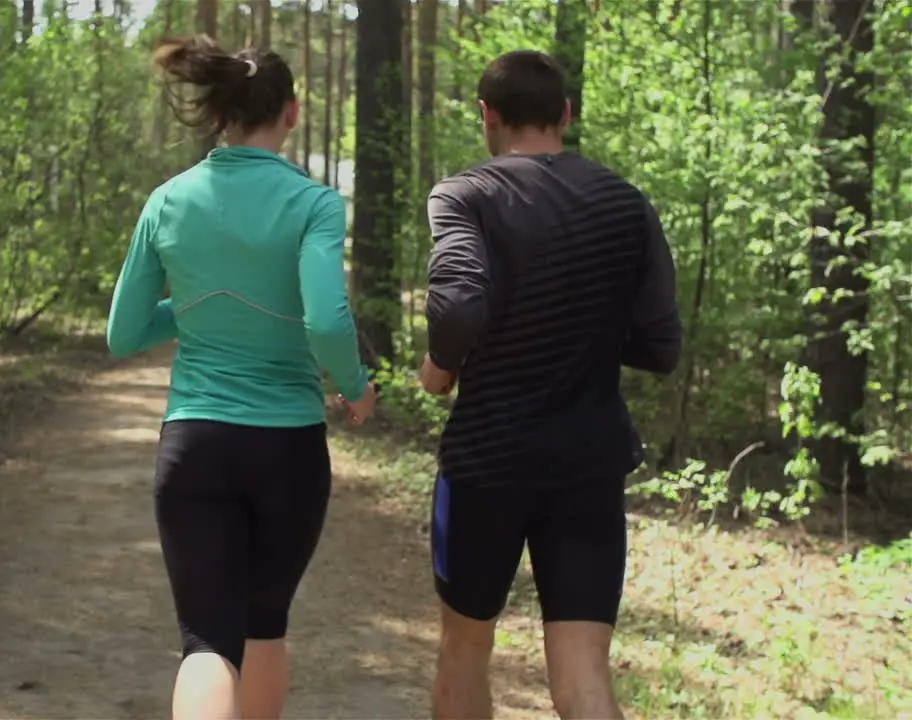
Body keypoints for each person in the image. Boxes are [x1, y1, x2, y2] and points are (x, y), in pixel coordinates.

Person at [105, 34, 380, 720]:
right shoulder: (315, 204)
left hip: (194, 444)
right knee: (265, 626)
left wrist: (201, 302)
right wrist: (353, 385)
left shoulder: (168, 200)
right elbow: (324, 319)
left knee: (207, 641)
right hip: (287, 449)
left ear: (222, 111)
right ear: (291, 113)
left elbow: (124, 333)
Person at [418, 50, 683, 720]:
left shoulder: (465, 195)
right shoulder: (625, 202)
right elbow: (660, 345)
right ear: (566, 114)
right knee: (582, 672)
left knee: (465, 651)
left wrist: (439, 370)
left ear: (488, 116)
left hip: (486, 462)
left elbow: (456, 308)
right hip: (587, 463)